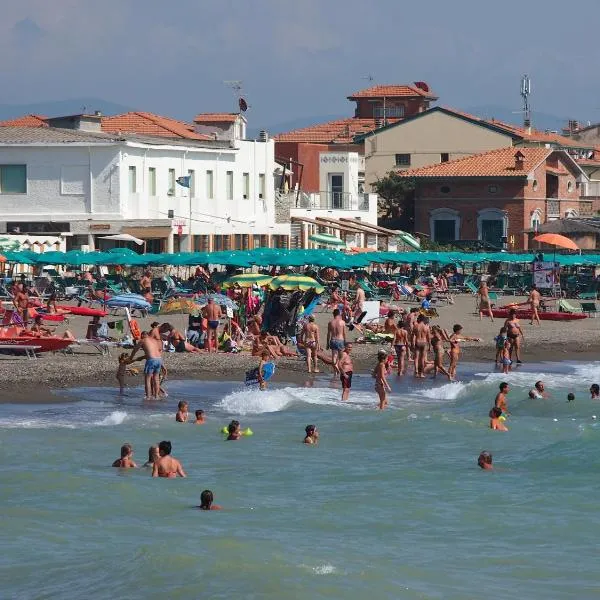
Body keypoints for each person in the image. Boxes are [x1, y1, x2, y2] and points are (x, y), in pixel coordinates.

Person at [129, 330, 163, 400]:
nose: (141, 338)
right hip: (159, 359)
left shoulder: (143, 340)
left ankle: (148, 397)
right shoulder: (154, 340)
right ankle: (156, 396)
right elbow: (158, 350)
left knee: (147, 379)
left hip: (151, 360)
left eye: (141, 336)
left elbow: (135, 349)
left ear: (143, 335)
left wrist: (131, 358)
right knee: (156, 379)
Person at [326, 308, 346, 374]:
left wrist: (327, 343)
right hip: (340, 340)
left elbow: (328, 334)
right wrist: (345, 342)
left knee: (334, 356)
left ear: (333, 314)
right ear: (339, 314)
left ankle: (335, 371)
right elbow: (344, 333)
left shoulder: (330, 322)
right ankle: (340, 369)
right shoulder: (342, 322)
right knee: (341, 357)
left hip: (333, 340)